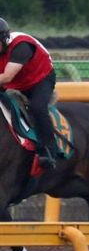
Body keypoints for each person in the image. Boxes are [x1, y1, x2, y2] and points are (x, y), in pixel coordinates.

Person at [0, 17, 58, 169]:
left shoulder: (21, 46)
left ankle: (49, 150)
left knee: (37, 107)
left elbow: (7, 76)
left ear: (4, 39)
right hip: (15, 82)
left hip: (40, 80)